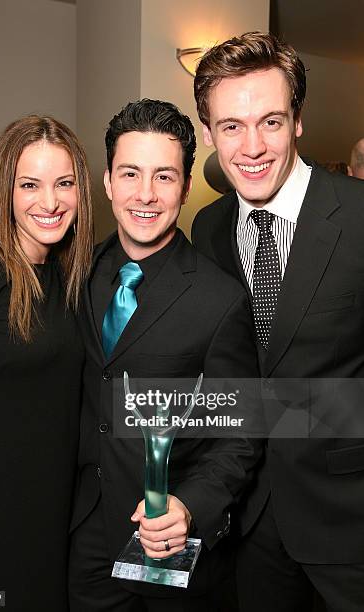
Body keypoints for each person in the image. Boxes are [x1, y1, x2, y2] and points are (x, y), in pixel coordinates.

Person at [191, 31, 364, 612]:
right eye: (231, 127)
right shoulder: (209, 230)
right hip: (252, 526)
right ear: (210, 135)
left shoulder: (358, 217)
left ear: (298, 123)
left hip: (350, 521)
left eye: (271, 121)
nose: (252, 146)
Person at [68, 99, 261, 612]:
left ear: (186, 185)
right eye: (130, 173)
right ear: (107, 182)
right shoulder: (77, 275)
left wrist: (190, 507)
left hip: (167, 551)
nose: (146, 195)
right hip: (81, 541)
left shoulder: (219, 301)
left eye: (164, 176)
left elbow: (241, 434)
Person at [0, 115, 93, 611]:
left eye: (63, 183)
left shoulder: (70, 279)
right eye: (29, 184)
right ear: (4, 191)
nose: (49, 202)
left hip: (46, 528)